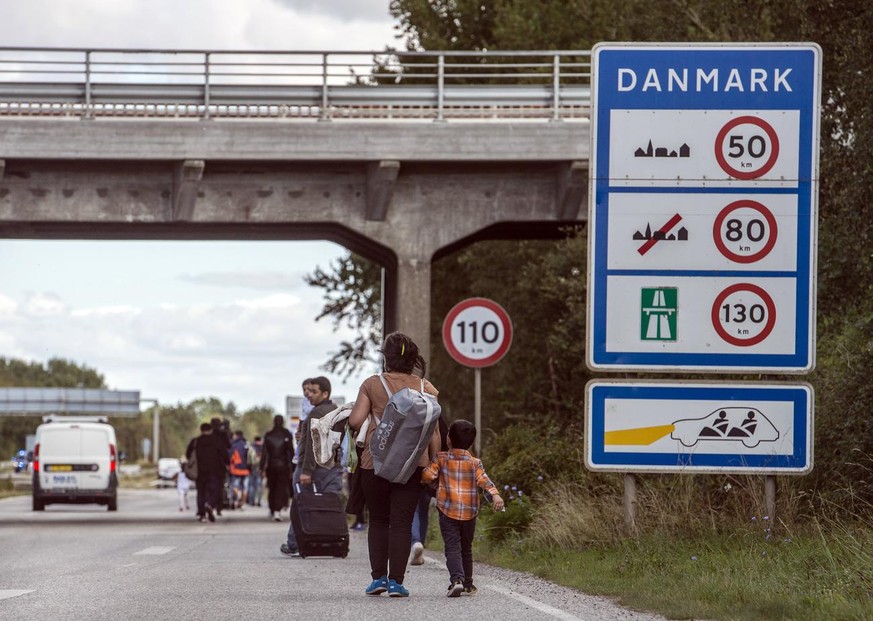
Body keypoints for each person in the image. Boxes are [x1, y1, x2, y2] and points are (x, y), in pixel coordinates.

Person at [348, 332, 441, 598]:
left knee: (378, 520)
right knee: (401, 522)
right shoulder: (427, 388)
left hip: (374, 463)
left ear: (386, 358)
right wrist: (433, 465)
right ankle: (396, 583)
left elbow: (356, 422)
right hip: (413, 464)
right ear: (413, 359)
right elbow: (433, 431)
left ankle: (378, 578)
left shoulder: (372, 384)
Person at [422, 419, 504, 597]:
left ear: (448, 439)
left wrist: (434, 484)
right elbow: (484, 480)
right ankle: (468, 583)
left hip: (447, 511)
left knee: (452, 546)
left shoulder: (441, 458)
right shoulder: (475, 462)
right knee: (466, 548)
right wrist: (495, 494)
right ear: (471, 442)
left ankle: (456, 580)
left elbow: (428, 475)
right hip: (469, 513)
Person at [281, 376, 344, 556]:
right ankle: (329, 540)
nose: (310, 395)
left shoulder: (316, 414)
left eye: (314, 392)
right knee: (330, 505)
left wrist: (306, 471)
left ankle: (294, 543)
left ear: (325, 393)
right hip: (332, 466)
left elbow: (311, 446)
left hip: (312, 468)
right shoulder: (335, 411)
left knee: (301, 505)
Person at [410, 416, 449, 565]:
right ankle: (421, 545)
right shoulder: (437, 417)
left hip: (413, 468)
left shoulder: (412, 416)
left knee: (413, 509)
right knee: (423, 508)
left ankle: (416, 542)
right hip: (432, 468)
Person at [185, 422, 229, 523]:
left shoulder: (196, 441)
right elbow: (225, 454)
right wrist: (226, 464)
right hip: (215, 471)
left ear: (201, 430)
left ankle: (202, 515)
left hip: (200, 472)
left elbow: (188, 455)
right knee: (216, 491)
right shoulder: (217, 441)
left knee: (201, 493)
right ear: (211, 430)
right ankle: (210, 505)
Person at [260, 414, 294, 521]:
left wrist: (262, 467)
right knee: (280, 487)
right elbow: (291, 451)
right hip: (283, 465)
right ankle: (277, 511)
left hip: (271, 465)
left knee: (272, 487)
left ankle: (272, 508)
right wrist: (293, 466)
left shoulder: (268, 435)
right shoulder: (286, 434)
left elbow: (264, 453)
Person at [228, 430, 251, 509]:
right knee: (245, 487)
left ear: (236, 435)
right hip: (247, 470)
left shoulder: (233, 445)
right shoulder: (247, 444)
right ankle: (242, 502)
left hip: (236, 469)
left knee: (235, 486)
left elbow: (230, 456)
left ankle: (238, 495)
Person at [247, 436, 264, 507]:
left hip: (252, 468)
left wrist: (248, 468)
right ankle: (259, 501)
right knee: (259, 485)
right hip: (260, 469)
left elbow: (248, 459)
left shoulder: (251, 448)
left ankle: (252, 501)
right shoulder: (263, 448)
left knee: (251, 485)